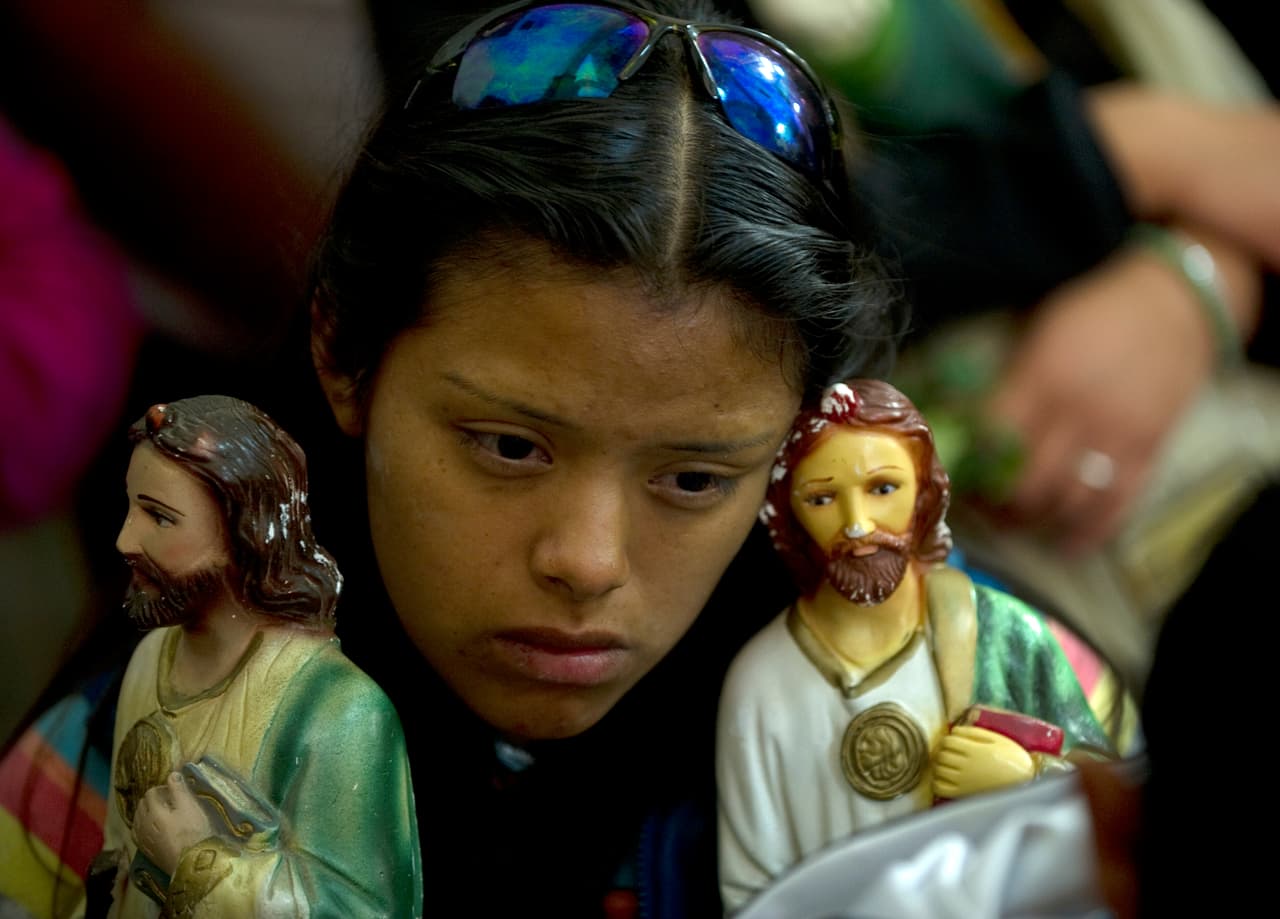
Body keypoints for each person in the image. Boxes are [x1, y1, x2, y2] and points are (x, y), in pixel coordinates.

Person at [716, 379, 1115, 912]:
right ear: (786, 515)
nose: (857, 525)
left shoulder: (1008, 636)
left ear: (925, 495)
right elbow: (752, 893)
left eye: (883, 489)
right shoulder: (762, 682)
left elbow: (1118, 802)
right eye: (822, 498)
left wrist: (1026, 777)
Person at [92, 396, 420, 917]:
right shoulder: (151, 657)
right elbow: (116, 861)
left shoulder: (337, 712)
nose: (125, 539)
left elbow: (363, 909)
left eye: (159, 517)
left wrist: (196, 861)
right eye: (131, 507)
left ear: (242, 530)